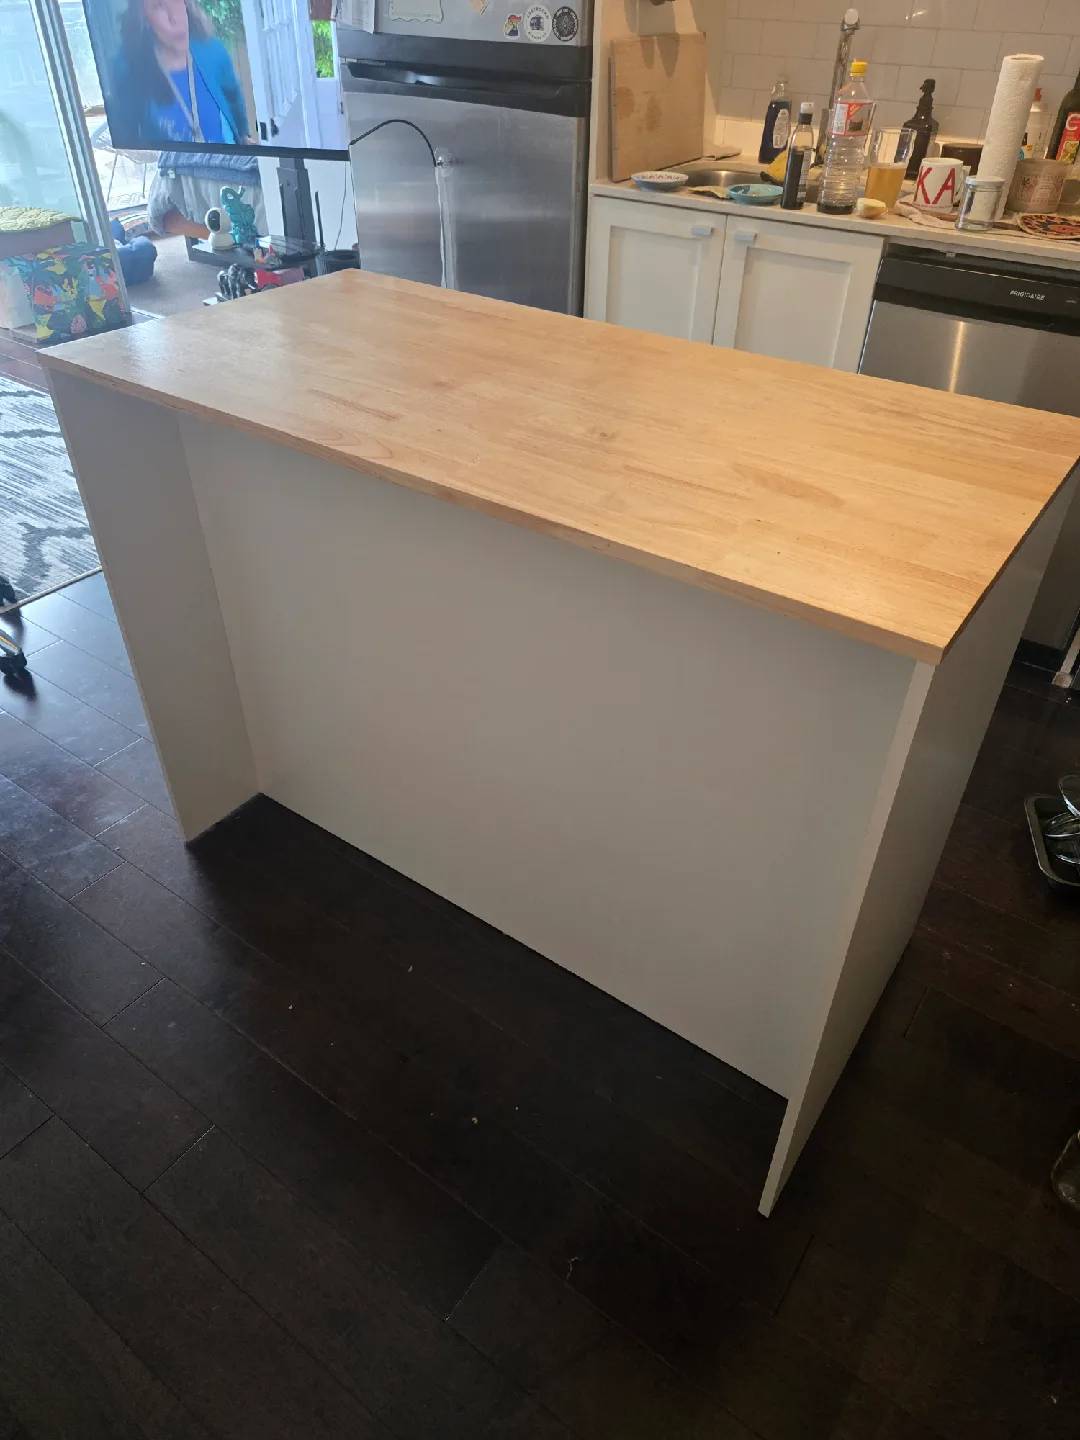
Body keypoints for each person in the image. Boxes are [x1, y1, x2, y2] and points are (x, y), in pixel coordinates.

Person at [109, 0, 250, 148]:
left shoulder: (213, 50)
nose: (174, 18)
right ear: (143, 16)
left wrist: (244, 136)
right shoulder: (130, 69)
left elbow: (233, 96)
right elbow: (126, 138)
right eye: (159, 6)